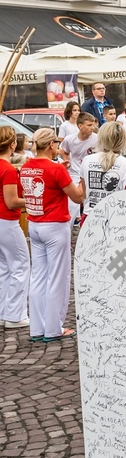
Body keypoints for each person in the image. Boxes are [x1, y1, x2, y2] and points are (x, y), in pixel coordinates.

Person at [23, 128, 84, 342]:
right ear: (51, 145)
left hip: (35, 223)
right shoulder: (56, 169)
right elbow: (77, 197)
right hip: (55, 225)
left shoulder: (26, 166)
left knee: (38, 277)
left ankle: (37, 328)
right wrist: (81, 179)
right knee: (58, 277)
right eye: (56, 144)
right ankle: (53, 328)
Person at [0, 126, 27, 329]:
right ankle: (15, 315)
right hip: (7, 220)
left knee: (4, 268)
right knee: (20, 266)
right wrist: (33, 200)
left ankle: (4, 311)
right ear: (12, 145)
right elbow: (11, 201)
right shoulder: (7, 169)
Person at [79, 121, 126, 218]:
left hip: (90, 215)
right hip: (116, 217)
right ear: (123, 140)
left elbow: (84, 193)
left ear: (101, 138)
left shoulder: (87, 160)